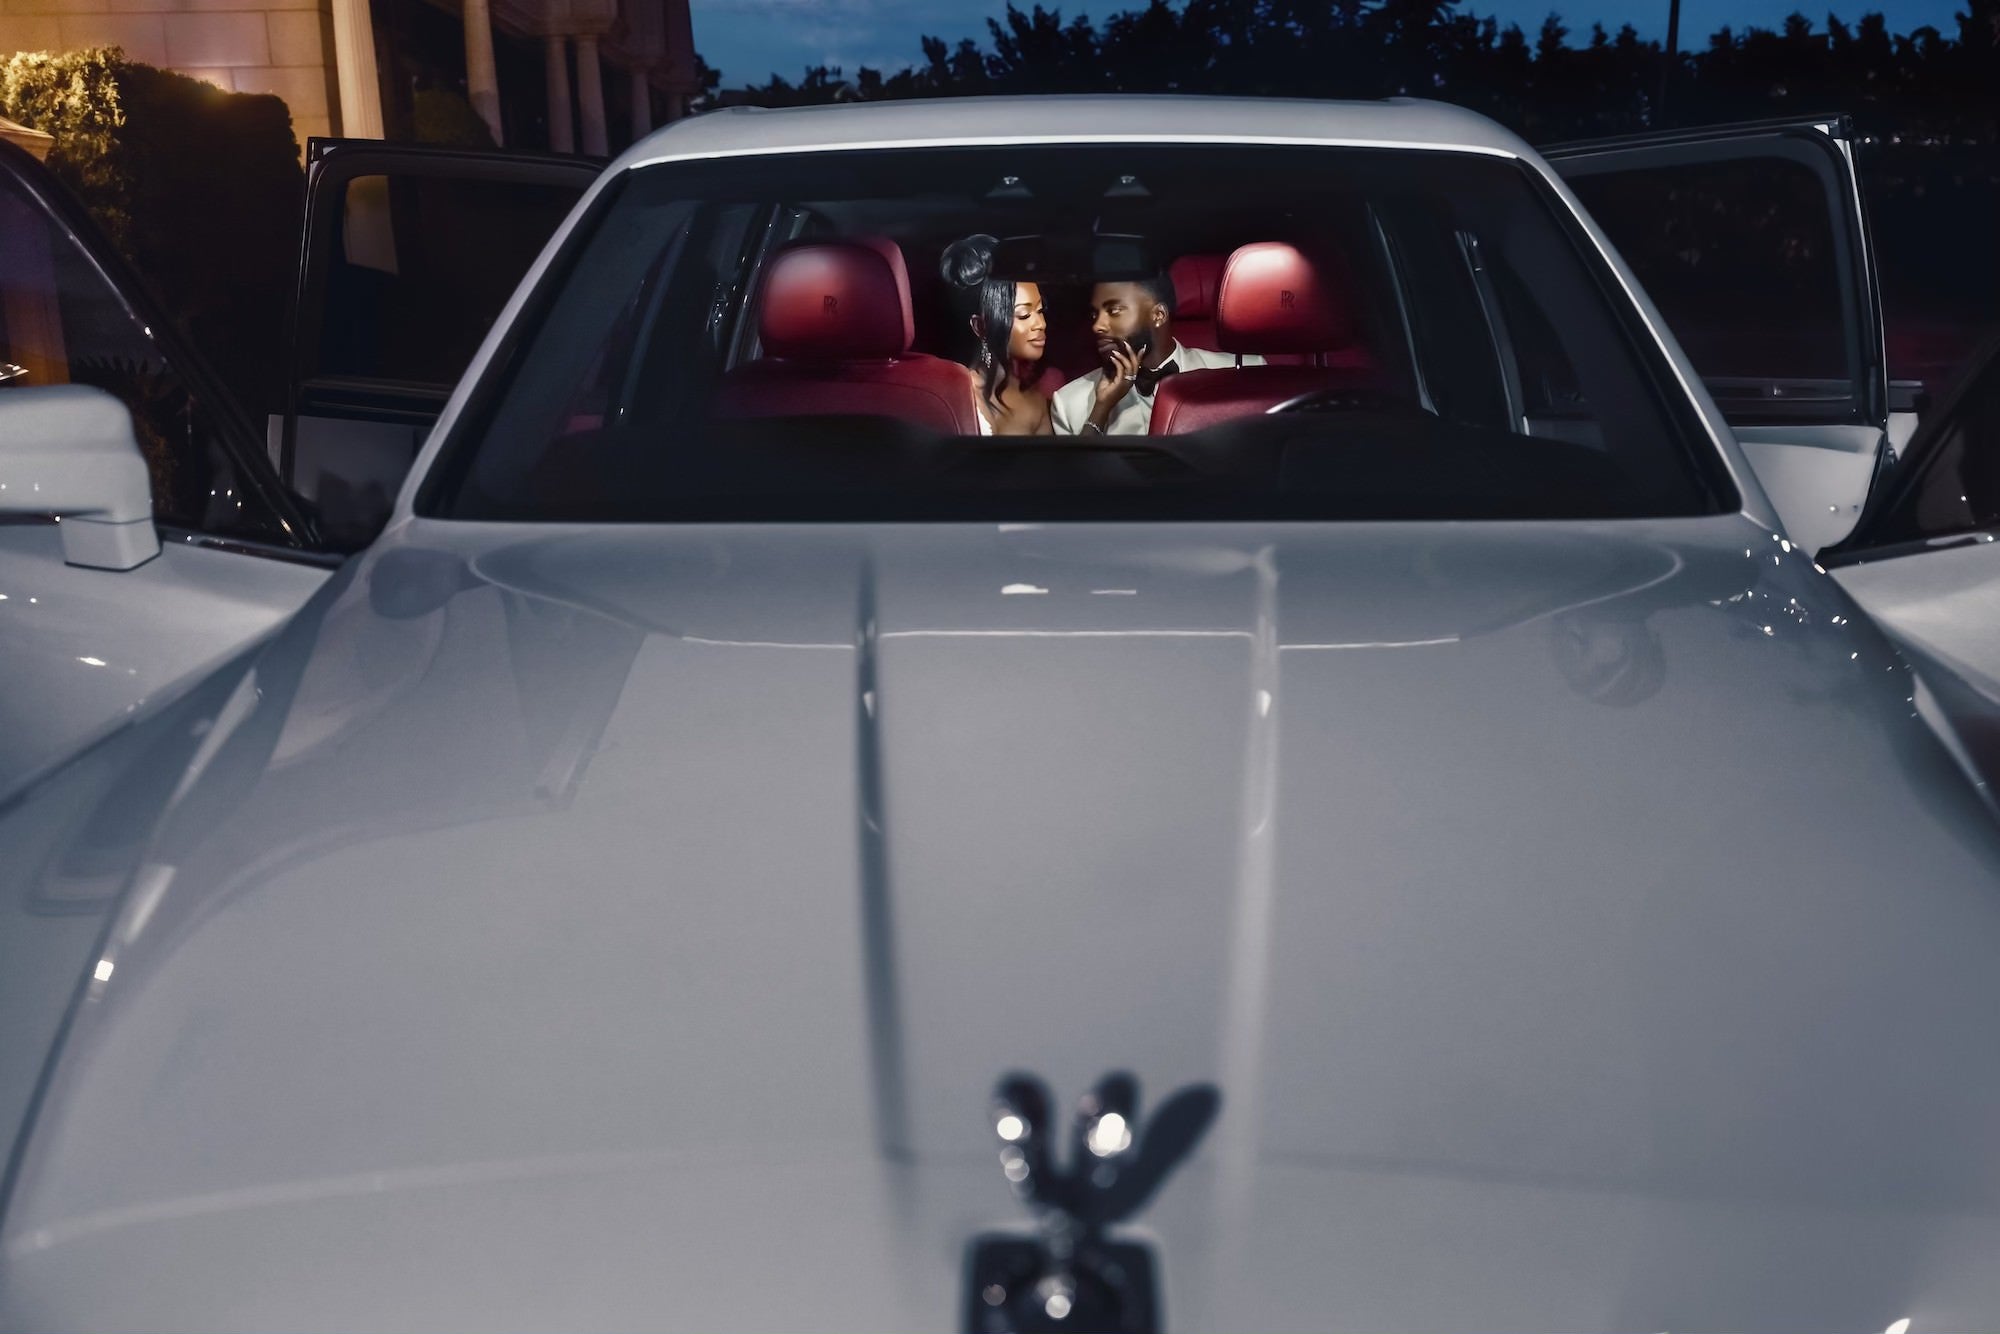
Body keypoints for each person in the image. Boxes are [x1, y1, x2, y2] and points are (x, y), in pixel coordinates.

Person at [1051, 272, 1261, 436]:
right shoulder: (1069, 403)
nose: (1097, 326)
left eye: (1114, 311)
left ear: (1158, 315)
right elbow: (1078, 484)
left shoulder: (1242, 376)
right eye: (1094, 314)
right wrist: (1101, 410)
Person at [939, 234, 1053, 435]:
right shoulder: (948, 396)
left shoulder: (1035, 401)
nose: (1040, 324)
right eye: (1024, 315)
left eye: (1040, 311)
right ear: (981, 326)